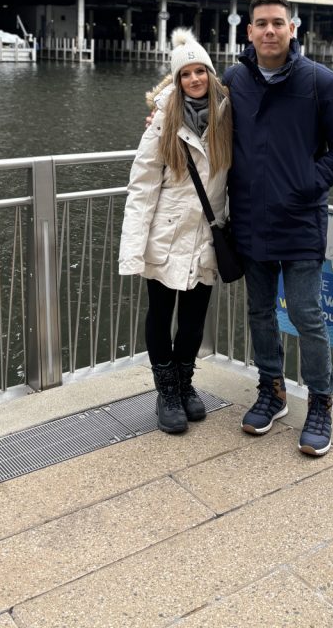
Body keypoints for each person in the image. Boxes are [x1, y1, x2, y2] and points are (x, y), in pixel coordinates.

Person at [224, 0, 333, 457]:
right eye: (260, 23)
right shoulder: (234, 81)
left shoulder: (322, 82)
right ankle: (272, 391)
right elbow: (203, 122)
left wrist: (310, 182)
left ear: (292, 29)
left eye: (277, 23)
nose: (269, 31)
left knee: (307, 315)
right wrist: (160, 117)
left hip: (302, 219)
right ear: (248, 32)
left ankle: (321, 403)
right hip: (250, 219)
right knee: (260, 313)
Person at [119, 28, 233, 434]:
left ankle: (185, 384)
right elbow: (143, 183)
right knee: (161, 312)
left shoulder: (228, 114)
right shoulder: (163, 121)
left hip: (206, 232)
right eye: (186, 74)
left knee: (194, 317)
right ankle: (166, 391)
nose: (195, 80)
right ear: (177, 80)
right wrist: (133, 246)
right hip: (166, 232)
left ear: (211, 73)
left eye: (201, 71)